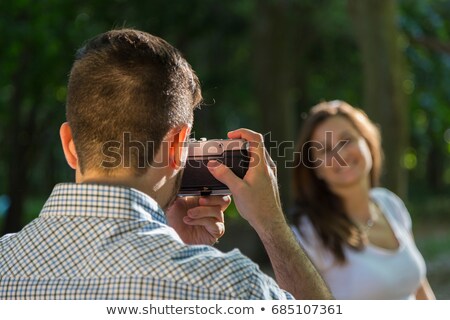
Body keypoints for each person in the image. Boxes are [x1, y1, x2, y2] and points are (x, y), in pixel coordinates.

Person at [0, 28, 332, 300]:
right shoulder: (226, 287)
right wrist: (272, 226)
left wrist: (175, 241)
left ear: (70, 145)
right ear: (176, 146)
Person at [289, 100, 436, 299]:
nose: (339, 155)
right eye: (325, 150)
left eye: (346, 140)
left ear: (367, 142)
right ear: (316, 169)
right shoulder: (308, 233)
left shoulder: (390, 204)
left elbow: (419, 289)